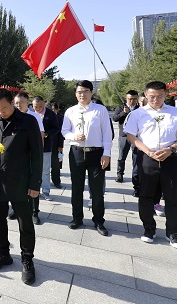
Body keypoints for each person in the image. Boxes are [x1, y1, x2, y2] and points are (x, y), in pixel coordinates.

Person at [0, 88, 42, 285]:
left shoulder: (28, 122)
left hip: (21, 182)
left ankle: (27, 259)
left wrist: (35, 184)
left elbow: (37, 154)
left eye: (4, 108)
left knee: (25, 224)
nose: (1, 112)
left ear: (12, 103)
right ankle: (3, 253)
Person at [124, 81, 177, 249]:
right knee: (146, 195)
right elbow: (131, 136)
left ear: (165, 95)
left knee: (172, 197)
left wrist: (171, 149)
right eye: (152, 96)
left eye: (160, 96)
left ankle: (173, 232)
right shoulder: (138, 114)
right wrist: (147, 151)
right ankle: (149, 229)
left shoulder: (176, 112)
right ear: (146, 95)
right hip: (148, 159)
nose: (156, 100)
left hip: (170, 158)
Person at [61, 80, 112, 236]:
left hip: (96, 153)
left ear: (91, 92)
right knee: (76, 187)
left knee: (97, 189)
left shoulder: (100, 110)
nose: (82, 95)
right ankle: (77, 218)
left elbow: (107, 133)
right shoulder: (70, 111)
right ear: (75, 93)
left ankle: (98, 220)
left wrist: (107, 153)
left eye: (85, 91)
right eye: (79, 92)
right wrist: (74, 136)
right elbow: (64, 131)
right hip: (77, 152)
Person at [12, 92, 44, 224]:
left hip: (31, 156)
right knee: (15, 183)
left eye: (21, 103)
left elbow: (40, 136)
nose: (18, 105)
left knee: (32, 183)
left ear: (27, 102)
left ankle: (34, 212)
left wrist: (38, 154)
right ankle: (15, 209)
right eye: (16, 103)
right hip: (16, 157)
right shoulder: (12, 116)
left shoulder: (34, 117)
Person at [32, 96, 60, 202]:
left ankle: (46, 191)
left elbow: (56, 128)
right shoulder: (30, 114)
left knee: (45, 170)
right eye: (35, 107)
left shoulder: (50, 114)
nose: (38, 109)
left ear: (44, 104)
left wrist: (46, 134)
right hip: (32, 146)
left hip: (46, 146)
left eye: (40, 106)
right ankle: (35, 189)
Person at [112, 90, 140, 185]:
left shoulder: (140, 108)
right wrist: (123, 113)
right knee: (121, 156)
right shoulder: (120, 107)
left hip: (136, 136)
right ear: (126, 98)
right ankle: (120, 174)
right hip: (124, 136)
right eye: (130, 99)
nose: (132, 101)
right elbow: (115, 118)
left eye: (134, 99)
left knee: (136, 157)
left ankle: (136, 176)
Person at [50, 102, 65, 189]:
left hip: (55, 145)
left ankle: (56, 181)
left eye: (53, 109)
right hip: (44, 145)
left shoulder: (60, 118)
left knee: (55, 165)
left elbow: (61, 133)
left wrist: (60, 145)